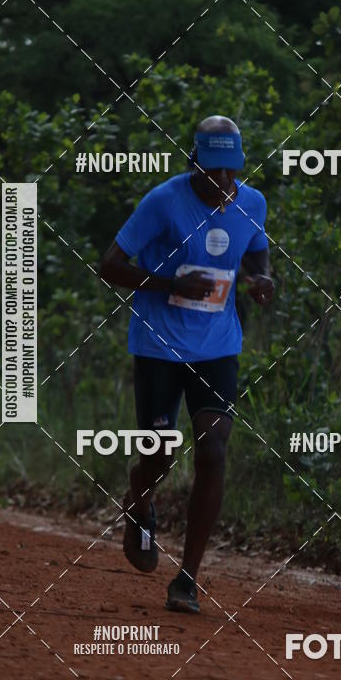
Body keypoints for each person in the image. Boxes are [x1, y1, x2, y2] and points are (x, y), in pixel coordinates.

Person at [99, 115, 274, 613]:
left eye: (231, 172)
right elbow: (109, 265)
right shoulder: (163, 202)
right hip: (158, 348)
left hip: (218, 349)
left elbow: (258, 257)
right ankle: (140, 505)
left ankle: (188, 580)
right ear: (193, 162)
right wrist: (169, 284)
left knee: (214, 451)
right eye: (213, 171)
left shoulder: (252, 203)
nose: (223, 182)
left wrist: (262, 282)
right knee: (158, 457)